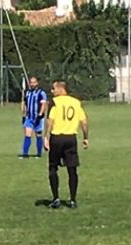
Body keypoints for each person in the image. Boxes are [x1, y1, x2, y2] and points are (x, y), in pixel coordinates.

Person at [43, 80, 88, 209]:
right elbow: (84, 122)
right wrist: (85, 137)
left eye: (53, 89)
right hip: (71, 138)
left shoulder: (54, 103)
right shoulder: (76, 102)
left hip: (57, 138)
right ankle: (73, 200)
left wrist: (46, 137)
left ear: (61, 89)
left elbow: (50, 121)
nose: (52, 92)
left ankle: (56, 198)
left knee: (53, 168)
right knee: (72, 169)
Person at [20, 76, 49, 158]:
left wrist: (40, 115)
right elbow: (24, 104)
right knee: (27, 134)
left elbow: (43, 104)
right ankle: (25, 154)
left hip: (38, 118)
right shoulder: (27, 93)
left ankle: (39, 154)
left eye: (34, 82)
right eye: (31, 82)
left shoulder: (41, 93)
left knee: (38, 135)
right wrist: (23, 115)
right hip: (29, 117)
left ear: (37, 83)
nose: (32, 84)